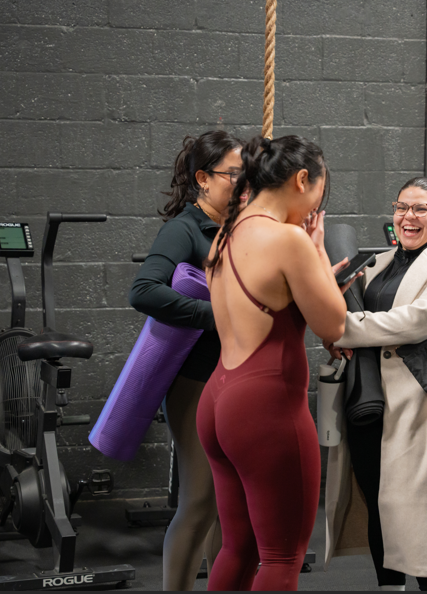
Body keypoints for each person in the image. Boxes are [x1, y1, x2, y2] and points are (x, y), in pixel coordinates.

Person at [197, 135, 351, 591]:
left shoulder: (224, 235)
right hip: (265, 409)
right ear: (302, 179)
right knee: (282, 558)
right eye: (320, 192)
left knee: (237, 548)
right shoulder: (289, 240)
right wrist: (318, 253)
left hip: (219, 398)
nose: (316, 205)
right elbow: (334, 325)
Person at [324, 178, 427, 591]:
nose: (409, 217)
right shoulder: (376, 264)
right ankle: (389, 587)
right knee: (379, 505)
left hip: (422, 408)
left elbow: (417, 320)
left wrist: (344, 328)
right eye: (401, 207)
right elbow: (334, 301)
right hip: (370, 404)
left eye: (421, 208)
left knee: (426, 514)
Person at [128, 130, 245, 591]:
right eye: (233, 174)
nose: (243, 182)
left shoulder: (238, 227)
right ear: (203, 178)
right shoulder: (184, 228)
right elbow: (143, 290)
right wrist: (215, 315)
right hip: (194, 382)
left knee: (231, 502)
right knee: (202, 498)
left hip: (233, 380)